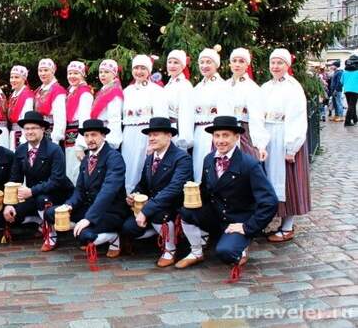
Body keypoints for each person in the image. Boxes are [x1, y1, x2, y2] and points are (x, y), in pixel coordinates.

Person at [175, 116, 278, 282]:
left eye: (225, 135)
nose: (220, 140)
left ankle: (241, 245)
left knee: (226, 253)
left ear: (236, 137)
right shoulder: (209, 159)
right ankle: (196, 251)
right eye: (217, 135)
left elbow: (269, 201)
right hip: (217, 214)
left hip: (238, 220)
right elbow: (206, 191)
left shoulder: (249, 164)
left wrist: (247, 227)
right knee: (186, 211)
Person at [44, 119, 128, 265]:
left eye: (94, 135)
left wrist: (88, 219)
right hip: (89, 207)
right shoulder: (86, 158)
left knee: (84, 235)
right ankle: (85, 228)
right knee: (51, 213)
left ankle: (114, 237)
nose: (90, 139)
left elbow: (107, 192)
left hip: (111, 211)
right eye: (87, 136)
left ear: (103, 136)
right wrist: (69, 205)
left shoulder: (114, 158)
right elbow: (79, 190)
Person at [0, 111, 73, 241]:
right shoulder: (21, 150)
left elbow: (56, 181)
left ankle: (51, 234)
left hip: (57, 194)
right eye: (26, 128)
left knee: (41, 199)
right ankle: (36, 219)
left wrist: (31, 191)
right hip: (33, 195)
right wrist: (9, 203)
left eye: (33, 128)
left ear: (43, 129)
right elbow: (15, 179)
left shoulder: (54, 150)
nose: (29, 132)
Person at [121, 117, 193, 267]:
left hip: (171, 207)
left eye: (156, 134)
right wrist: (134, 194)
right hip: (151, 206)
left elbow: (174, 189)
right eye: (150, 135)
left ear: (169, 136)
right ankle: (159, 233)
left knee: (158, 214)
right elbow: (143, 184)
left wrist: (147, 210)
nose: (152, 138)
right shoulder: (150, 157)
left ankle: (170, 248)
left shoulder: (182, 158)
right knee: (129, 227)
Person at [262, 49, 310, 243]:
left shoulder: (293, 87)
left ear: (287, 65)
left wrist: (292, 146)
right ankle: (271, 220)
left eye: (279, 63)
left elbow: (297, 117)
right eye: (273, 63)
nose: (275, 67)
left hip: (284, 135)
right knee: (269, 179)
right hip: (269, 136)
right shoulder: (265, 87)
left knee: (288, 180)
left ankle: (287, 225)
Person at [122, 55, 169, 193]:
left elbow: (161, 117)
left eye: (143, 68)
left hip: (147, 135)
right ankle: (128, 197)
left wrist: (155, 142)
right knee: (128, 166)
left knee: (144, 166)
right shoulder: (126, 91)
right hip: (129, 135)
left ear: (149, 71)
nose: (139, 71)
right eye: (136, 68)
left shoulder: (157, 91)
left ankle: (143, 198)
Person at [192, 48, 231, 182]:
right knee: (198, 166)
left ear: (216, 64)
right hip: (198, 133)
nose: (204, 65)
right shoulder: (196, 88)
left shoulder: (223, 86)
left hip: (214, 133)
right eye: (201, 62)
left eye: (208, 62)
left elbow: (225, 113)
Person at [225, 48, 269, 161]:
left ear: (247, 65)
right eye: (234, 61)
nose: (237, 64)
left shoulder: (252, 88)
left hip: (244, 134)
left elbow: (257, 118)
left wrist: (260, 145)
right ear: (230, 64)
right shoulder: (224, 86)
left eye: (241, 61)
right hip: (225, 133)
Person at [64, 61, 93, 184]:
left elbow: (84, 118)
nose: (72, 76)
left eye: (76, 73)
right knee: (69, 170)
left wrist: (80, 144)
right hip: (69, 135)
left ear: (82, 75)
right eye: (70, 73)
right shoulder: (71, 91)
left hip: (76, 136)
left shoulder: (85, 93)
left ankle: (76, 200)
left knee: (75, 171)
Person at [164, 50, 194, 152]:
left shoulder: (185, 85)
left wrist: (184, 138)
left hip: (176, 131)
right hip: (164, 131)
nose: (172, 65)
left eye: (176, 62)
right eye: (170, 62)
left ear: (182, 66)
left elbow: (186, 113)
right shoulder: (168, 85)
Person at [90, 59, 124, 149]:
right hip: (100, 132)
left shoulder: (114, 91)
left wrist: (111, 141)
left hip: (108, 135)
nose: (103, 74)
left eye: (106, 72)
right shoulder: (104, 90)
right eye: (100, 72)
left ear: (114, 74)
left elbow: (114, 117)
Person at [34, 58, 67, 145]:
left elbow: (60, 117)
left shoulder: (57, 90)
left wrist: (56, 138)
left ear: (53, 71)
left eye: (46, 70)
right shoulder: (39, 90)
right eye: (40, 70)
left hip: (51, 131)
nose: (43, 73)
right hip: (39, 131)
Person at [7, 65, 34, 150]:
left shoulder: (27, 95)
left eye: (16, 77)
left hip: (22, 133)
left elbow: (27, 119)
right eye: (11, 77)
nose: (13, 80)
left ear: (23, 79)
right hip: (13, 133)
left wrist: (24, 137)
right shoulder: (13, 95)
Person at [342, 54, 358, 127]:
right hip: (355, 90)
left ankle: (355, 119)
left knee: (351, 105)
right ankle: (347, 121)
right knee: (352, 105)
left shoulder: (344, 72)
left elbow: (341, 81)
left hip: (346, 90)